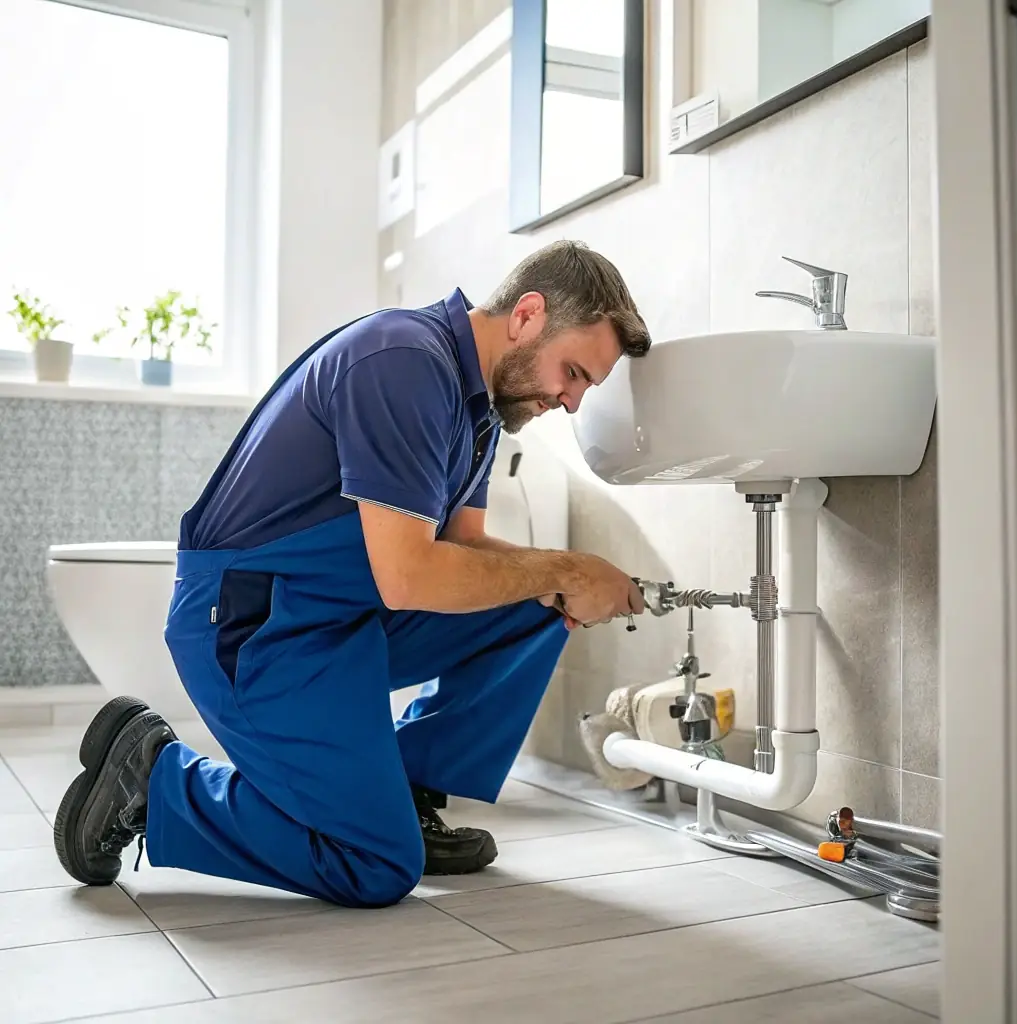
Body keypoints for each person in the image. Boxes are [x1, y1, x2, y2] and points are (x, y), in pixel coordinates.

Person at [53, 239, 651, 907]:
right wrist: (571, 566)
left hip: (337, 616)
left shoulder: (479, 408)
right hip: (253, 622)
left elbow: (468, 545)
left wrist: (573, 578)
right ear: (528, 316)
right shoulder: (404, 362)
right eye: (572, 372)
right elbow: (409, 578)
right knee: (375, 865)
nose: (570, 402)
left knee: (538, 597)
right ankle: (155, 783)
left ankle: (410, 787)